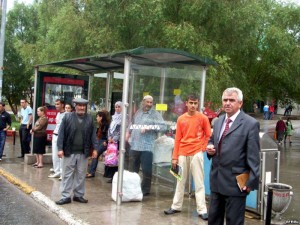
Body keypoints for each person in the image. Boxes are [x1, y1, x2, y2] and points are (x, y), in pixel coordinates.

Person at [206, 87, 260, 225]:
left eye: (232, 100)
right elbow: (213, 140)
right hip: (216, 181)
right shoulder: (218, 122)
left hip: (236, 184)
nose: (227, 103)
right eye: (225, 100)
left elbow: (254, 156)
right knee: (213, 220)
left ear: (240, 103)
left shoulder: (250, 124)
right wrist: (210, 148)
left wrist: (251, 182)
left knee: (234, 222)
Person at [164, 94, 211, 220]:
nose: (193, 105)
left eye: (195, 103)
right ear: (186, 103)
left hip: (196, 152)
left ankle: (202, 210)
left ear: (198, 103)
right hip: (182, 153)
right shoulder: (181, 119)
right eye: (191, 103)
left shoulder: (203, 118)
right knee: (180, 181)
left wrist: (203, 147)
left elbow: (208, 134)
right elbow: (177, 138)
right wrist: (174, 157)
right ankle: (176, 206)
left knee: (199, 182)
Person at [55, 98, 98, 205]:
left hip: (84, 152)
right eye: (79, 105)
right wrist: (60, 149)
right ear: (75, 106)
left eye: (83, 106)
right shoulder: (67, 117)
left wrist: (95, 149)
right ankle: (65, 196)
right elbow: (61, 134)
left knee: (81, 175)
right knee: (67, 174)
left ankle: (78, 195)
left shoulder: (89, 118)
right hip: (69, 151)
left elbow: (93, 135)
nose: (82, 107)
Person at [127, 95, 166, 196]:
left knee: (146, 170)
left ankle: (145, 190)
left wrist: (150, 127)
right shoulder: (138, 112)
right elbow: (132, 124)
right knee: (132, 169)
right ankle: (132, 187)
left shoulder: (155, 114)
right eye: (147, 102)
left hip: (147, 146)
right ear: (143, 102)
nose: (149, 104)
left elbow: (163, 127)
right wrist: (128, 133)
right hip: (135, 145)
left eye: (151, 103)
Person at [86, 110, 110, 178]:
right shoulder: (100, 124)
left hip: (104, 142)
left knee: (96, 154)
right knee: (95, 154)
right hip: (100, 141)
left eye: (97, 116)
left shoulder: (106, 125)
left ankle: (91, 172)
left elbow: (108, 134)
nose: (96, 118)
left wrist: (107, 141)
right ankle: (91, 171)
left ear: (101, 117)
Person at [104, 101, 122, 183]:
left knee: (117, 159)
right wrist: (109, 137)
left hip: (119, 142)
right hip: (111, 142)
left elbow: (121, 130)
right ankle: (112, 177)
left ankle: (117, 177)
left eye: (119, 107)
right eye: (116, 107)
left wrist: (114, 138)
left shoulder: (124, 117)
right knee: (112, 158)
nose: (117, 108)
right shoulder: (114, 117)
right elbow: (110, 129)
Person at [48, 99, 65, 178]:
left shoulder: (67, 114)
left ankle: (62, 173)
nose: (56, 106)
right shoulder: (58, 114)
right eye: (55, 104)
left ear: (62, 105)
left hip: (61, 136)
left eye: (58, 104)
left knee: (61, 155)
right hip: (55, 135)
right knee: (54, 155)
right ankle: (57, 171)